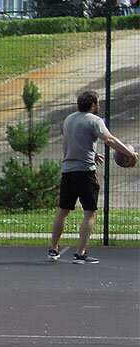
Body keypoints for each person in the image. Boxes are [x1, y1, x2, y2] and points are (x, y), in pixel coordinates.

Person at [49, 90, 134, 263]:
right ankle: (80, 254)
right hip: (85, 171)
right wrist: (130, 154)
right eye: (98, 102)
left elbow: (76, 141)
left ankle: (53, 250)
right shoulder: (95, 120)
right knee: (90, 212)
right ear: (93, 105)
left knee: (63, 211)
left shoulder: (69, 119)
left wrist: (92, 153)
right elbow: (109, 139)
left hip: (67, 171)